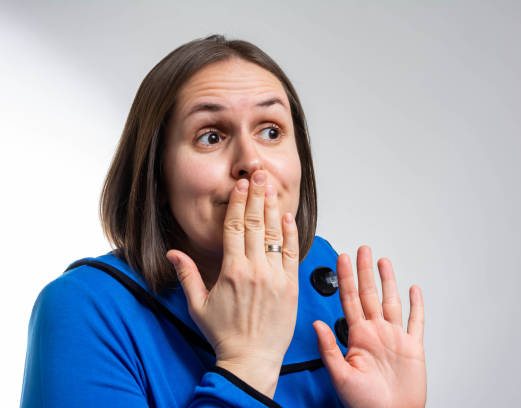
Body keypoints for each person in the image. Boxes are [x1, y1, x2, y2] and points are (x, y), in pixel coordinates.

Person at [20, 34, 427, 407]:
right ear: (156, 174)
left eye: (271, 131)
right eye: (211, 136)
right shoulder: (83, 309)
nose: (251, 160)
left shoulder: (331, 286)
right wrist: (247, 362)